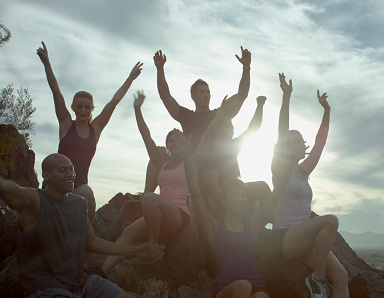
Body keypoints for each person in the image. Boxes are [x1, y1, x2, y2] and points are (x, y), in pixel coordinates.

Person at [101, 91, 239, 275]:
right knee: (128, 231)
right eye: (170, 140)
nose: (174, 142)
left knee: (149, 197)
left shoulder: (193, 162)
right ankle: (101, 271)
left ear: (186, 141)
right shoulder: (162, 163)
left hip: (178, 215)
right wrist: (137, 110)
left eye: (178, 138)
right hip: (157, 212)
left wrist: (221, 113)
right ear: (167, 146)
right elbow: (146, 136)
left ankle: (153, 245)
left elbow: (207, 136)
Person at [0, 153, 163, 297]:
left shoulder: (79, 204)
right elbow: (8, 188)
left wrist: (136, 250)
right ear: (46, 176)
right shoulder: (34, 200)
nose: (70, 174)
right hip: (46, 287)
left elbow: (92, 242)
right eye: (62, 170)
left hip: (83, 282)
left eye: (71, 169)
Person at [37, 41, 142, 222]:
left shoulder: (96, 129)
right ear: (73, 108)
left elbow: (113, 102)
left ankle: (88, 238)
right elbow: (56, 92)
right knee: (47, 210)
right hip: (55, 184)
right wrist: (47, 63)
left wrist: (130, 79)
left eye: (87, 107)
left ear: (92, 109)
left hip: (78, 185)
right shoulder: (65, 124)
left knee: (87, 194)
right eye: (79, 107)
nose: (83, 111)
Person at [267, 74, 349, 298]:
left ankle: (320, 282)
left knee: (342, 278)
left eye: (300, 140)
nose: (300, 142)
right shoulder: (280, 168)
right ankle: (318, 281)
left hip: (305, 237)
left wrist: (327, 111)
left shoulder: (304, 171)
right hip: (286, 237)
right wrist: (286, 96)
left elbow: (320, 143)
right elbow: (281, 130)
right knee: (331, 220)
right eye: (294, 140)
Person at [181, 97, 270, 298]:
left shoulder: (234, 145)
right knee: (213, 183)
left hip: (235, 192)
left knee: (263, 187)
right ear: (218, 129)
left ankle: (267, 217)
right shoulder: (210, 151)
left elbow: (253, 130)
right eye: (226, 126)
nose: (231, 129)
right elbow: (198, 186)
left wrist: (259, 106)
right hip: (218, 197)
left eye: (232, 126)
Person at [147, 47, 251, 205]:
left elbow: (242, 95)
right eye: (201, 92)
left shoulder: (220, 113)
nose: (206, 95)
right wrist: (160, 69)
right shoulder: (187, 116)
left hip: (219, 167)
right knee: (159, 153)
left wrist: (246, 68)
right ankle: (146, 197)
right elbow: (165, 96)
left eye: (208, 92)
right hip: (194, 167)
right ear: (193, 96)